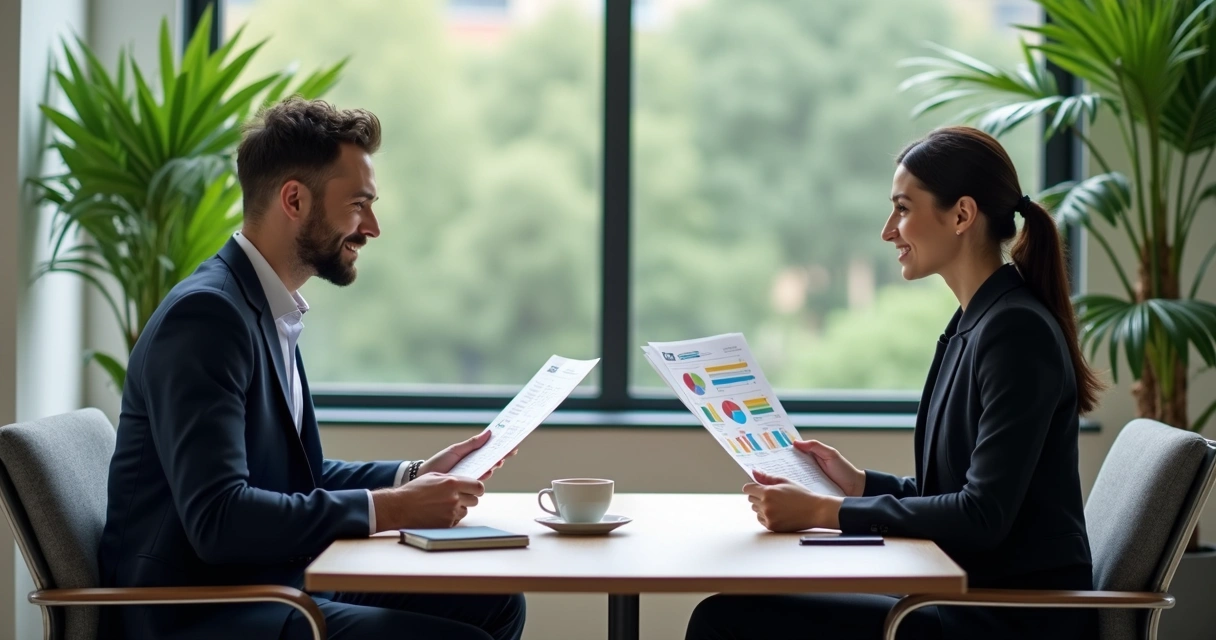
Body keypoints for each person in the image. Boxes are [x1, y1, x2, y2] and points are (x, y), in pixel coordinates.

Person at [98, 97, 525, 640]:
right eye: (358, 204)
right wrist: (390, 509)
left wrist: (414, 476)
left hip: (264, 581)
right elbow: (220, 521)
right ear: (294, 200)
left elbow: (294, 480)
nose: (372, 226)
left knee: (495, 603)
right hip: (199, 608)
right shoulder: (206, 317)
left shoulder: (262, 304)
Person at [685, 126, 1104, 640]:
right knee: (743, 607)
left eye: (903, 208)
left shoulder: (1015, 331)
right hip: (965, 591)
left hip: (1006, 617)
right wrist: (857, 484)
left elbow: (982, 515)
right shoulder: (976, 323)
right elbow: (953, 496)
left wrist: (827, 511)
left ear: (962, 215)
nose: (888, 230)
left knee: (726, 620)